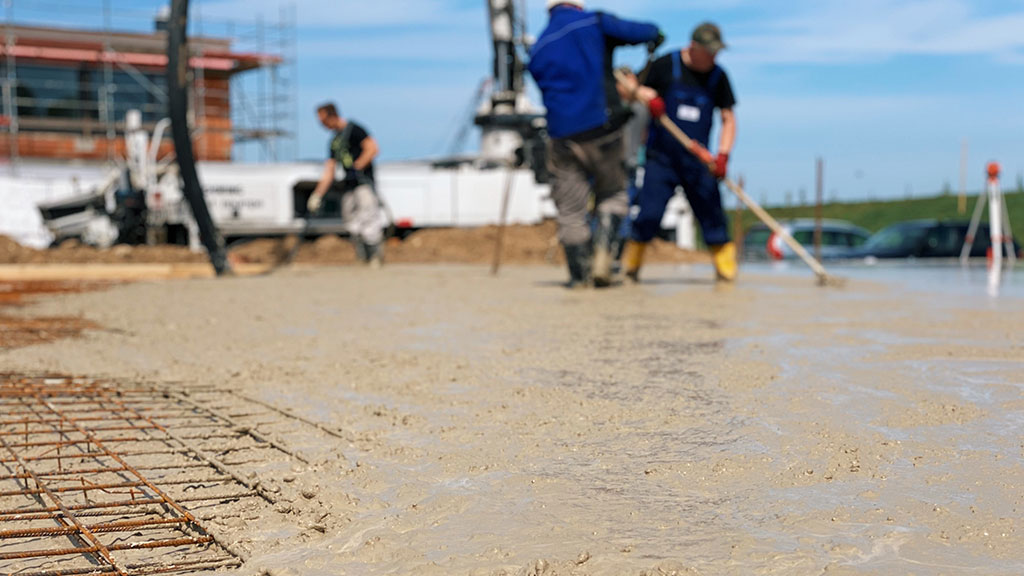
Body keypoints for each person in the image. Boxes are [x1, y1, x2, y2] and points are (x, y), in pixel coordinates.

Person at [528, 0, 663, 288]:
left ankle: (579, 277)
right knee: (613, 194)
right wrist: (655, 33)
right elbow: (640, 32)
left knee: (571, 211)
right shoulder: (594, 23)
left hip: (561, 136)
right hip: (602, 129)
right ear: (578, 5)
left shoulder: (537, 49)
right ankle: (604, 258)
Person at [618, 22, 738, 282]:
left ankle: (726, 271)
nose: (713, 58)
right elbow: (627, 89)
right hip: (662, 158)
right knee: (648, 213)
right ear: (693, 47)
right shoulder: (666, 65)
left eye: (716, 53)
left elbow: (729, 119)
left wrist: (723, 156)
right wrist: (649, 97)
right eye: (709, 52)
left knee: (713, 216)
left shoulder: (719, 77)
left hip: (699, 161)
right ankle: (631, 266)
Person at [308, 103, 386, 266]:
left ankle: (375, 256)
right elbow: (329, 170)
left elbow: (372, 148)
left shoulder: (354, 129)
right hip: (348, 185)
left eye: (323, 121)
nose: (322, 125)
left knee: (369, 216)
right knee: (350, 218)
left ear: (332, 116)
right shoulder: (334, 141)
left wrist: (357, 166)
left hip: (363, 182)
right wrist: (317, 194)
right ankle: (362, 254)